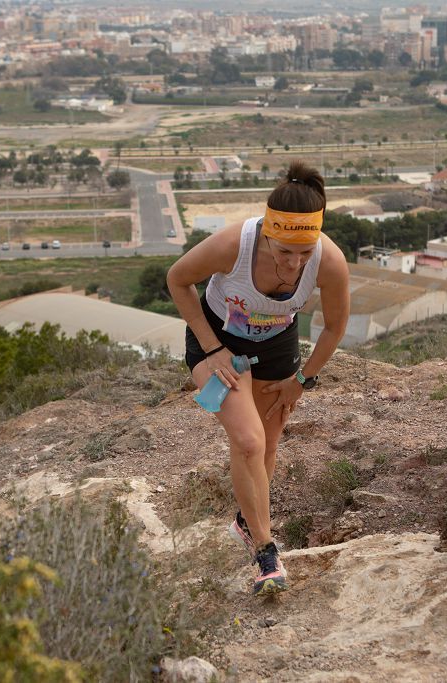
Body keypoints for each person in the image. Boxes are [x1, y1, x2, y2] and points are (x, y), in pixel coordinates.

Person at [166, 160, 350, 596]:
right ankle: (266, 552)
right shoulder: (235, 244)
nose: (294, 263)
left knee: (267, 443)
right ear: (267, 233)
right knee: (247, 441)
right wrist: (212, 348)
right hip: (216, 339)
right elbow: (177, 279)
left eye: (304, 253)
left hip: (276, 346)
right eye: (284, 251)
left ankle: (246, 523)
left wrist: (302, 380)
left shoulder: (330, 261)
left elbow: (335, 325)